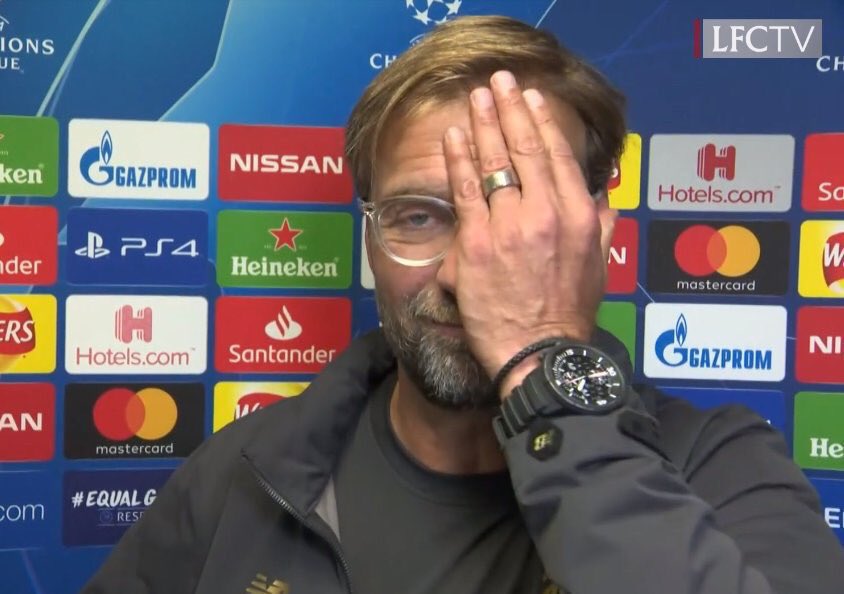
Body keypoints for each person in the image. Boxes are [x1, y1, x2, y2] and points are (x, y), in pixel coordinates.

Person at [82, 15, 844, 594]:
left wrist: (539, 360)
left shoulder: (720, 470)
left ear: (591, 234)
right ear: (370, 238)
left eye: (516, 217)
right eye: (418, 217)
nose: (465, 270)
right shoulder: (246, 469)